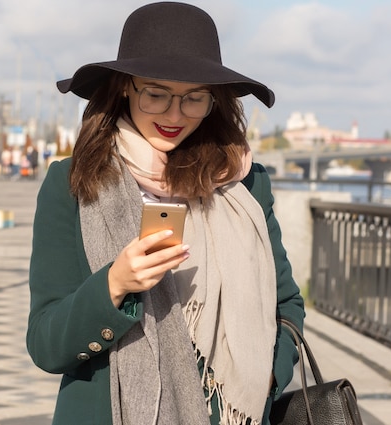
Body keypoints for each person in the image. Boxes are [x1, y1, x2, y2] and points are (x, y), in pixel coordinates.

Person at [26, 3, 305, 425]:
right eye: (156, 94)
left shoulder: (244, 184)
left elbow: (287, 305)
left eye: (194, 99)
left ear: (215, 100)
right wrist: (114, 285)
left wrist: (267, 378)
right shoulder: (73, 184)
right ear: (124, 87)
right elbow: (46, 344)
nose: (175, 115)